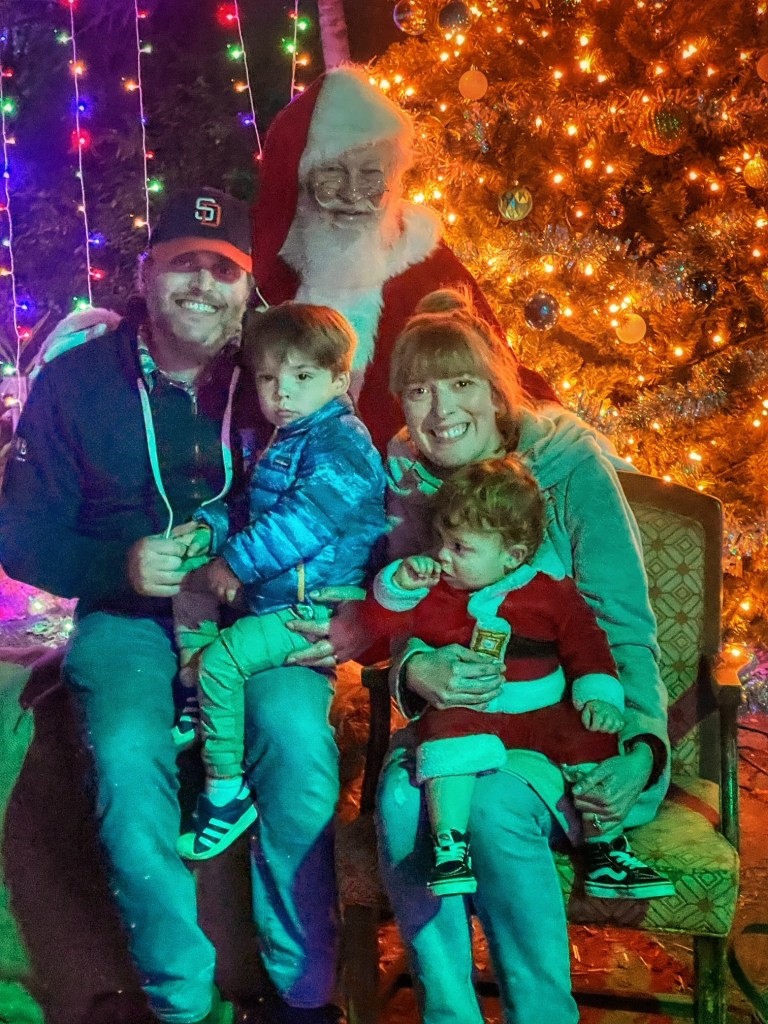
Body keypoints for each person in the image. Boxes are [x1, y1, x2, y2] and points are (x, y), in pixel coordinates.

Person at [0, 188, 344, 1024]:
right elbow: (22, 536)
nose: (202, 284)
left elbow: (350, 493)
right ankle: (181, 998)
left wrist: (355, 616)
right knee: (126, 761)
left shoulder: (277, 376)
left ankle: (301, 995)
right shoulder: (76, 384)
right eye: (184, 263)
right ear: (146, 275)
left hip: (257, 617)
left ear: (246, 287)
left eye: (223, 270)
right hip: (129, 619)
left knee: (299, 746)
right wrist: (120, 565)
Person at [354, 288, 672, 1024]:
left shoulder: (569, 466)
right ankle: (451, 1013)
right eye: (419, 391)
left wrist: (640, 748)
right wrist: (415, 671)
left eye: (461, 383)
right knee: (400, 799)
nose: (441, 411)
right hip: (462, 723)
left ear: (497, 391)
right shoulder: (409, 473)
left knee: (495, 808)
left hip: (561, 731)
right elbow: (410, 615)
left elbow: (621, 628)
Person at [365, 454, 674, 901]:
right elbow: (385, 622)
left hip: (543, 710)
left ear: (511, 556)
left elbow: (587, 645)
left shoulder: (551, 594)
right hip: (471, 709)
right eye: (441, 541)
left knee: (592, 734)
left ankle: (605, 849)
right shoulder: (438, 593)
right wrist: (400, 584)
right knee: (445, 732)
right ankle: (450, 845)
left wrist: (597, 696)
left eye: (460, 548)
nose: (443, 556)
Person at [171, 302, 386, 862]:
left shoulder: (343, 445)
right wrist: (210, 530)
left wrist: (234, 563)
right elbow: (249, 506)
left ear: (339, 379)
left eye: (302, 377)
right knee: (188, 586)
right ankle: (196, 696)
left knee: (223, 662)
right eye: (268, 379)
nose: (282, 393)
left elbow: (303, 523)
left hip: (310, 608)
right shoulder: (285, 436)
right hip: (273, 594)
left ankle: (225, 793)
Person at [251, 65, 559, 453]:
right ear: (303, 181)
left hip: (416, 474)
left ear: (393, 180)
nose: (352, 195)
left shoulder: (428, 269)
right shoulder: (270, 279)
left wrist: (554, 432)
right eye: (331, 175)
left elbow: (499, 372)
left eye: (371, 176)